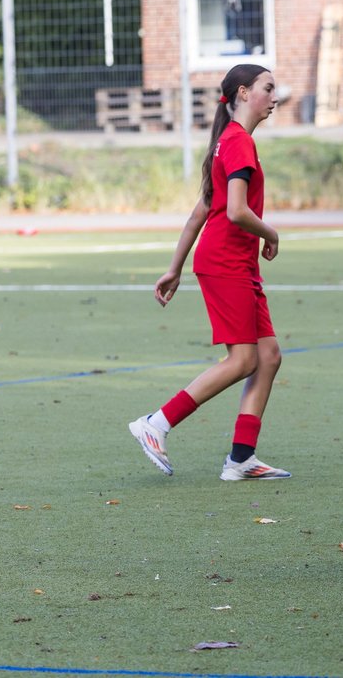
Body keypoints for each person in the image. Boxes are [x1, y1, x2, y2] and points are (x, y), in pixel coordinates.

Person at [128, 64, 291, 482]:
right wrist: (270, 232)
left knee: (268, 356)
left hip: (235, 263)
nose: (275, 97)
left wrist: (174, 269)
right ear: (242, 93)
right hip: (225, 263)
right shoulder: (237, 143)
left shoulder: (229, 142)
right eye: (268, 88)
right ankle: (157, 423)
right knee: (242, 360)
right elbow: (235, 212)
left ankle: (241, 459)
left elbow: (201, 211)